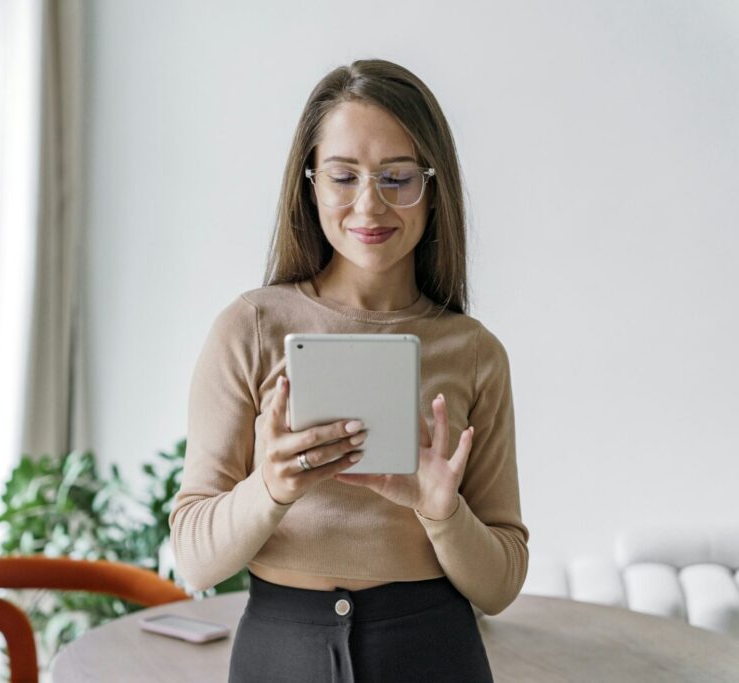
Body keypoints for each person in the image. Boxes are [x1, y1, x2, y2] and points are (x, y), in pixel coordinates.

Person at [168, 59, 528, 683]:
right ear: (309, 183)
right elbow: (195, 561)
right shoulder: (250, 327)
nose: (370, 204)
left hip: (434, 650)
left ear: (432, 184)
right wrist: (271, 487)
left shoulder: (474, 352)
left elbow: (499, 586)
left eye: (398, 177)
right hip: (280, 651)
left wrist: (442, 512)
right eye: (343, 176)